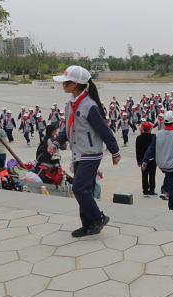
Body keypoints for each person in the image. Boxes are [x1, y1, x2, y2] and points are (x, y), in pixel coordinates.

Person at [49, 65, 121, 238]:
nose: (63, 85)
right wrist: (57, 143)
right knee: (85, 189)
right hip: (78, 153)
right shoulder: (71, 104)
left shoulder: (90, 106)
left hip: (91, 153)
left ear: (75, 84)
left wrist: (115, 151)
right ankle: (87, 224)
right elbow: (67, 129)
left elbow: (104, 130)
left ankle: (98, 217)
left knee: (79, 188)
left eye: (65, 82)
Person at [141, 111, 173, 210]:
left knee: (167, 174)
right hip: (172, 165)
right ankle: (172, 207)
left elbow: (151, 149)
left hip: (161, 164)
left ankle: (163, 189)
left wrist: (145, 161)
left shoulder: (158, 134)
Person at [136, 122, 157, 197]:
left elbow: (137, 150)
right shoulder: (153, 137)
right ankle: (151, 190)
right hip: (152, 159)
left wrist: (138, 160)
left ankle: (145, 190)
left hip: (143, 160)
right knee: (152, 175)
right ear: (149, 129)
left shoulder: (139, 138)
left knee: (144, 175)